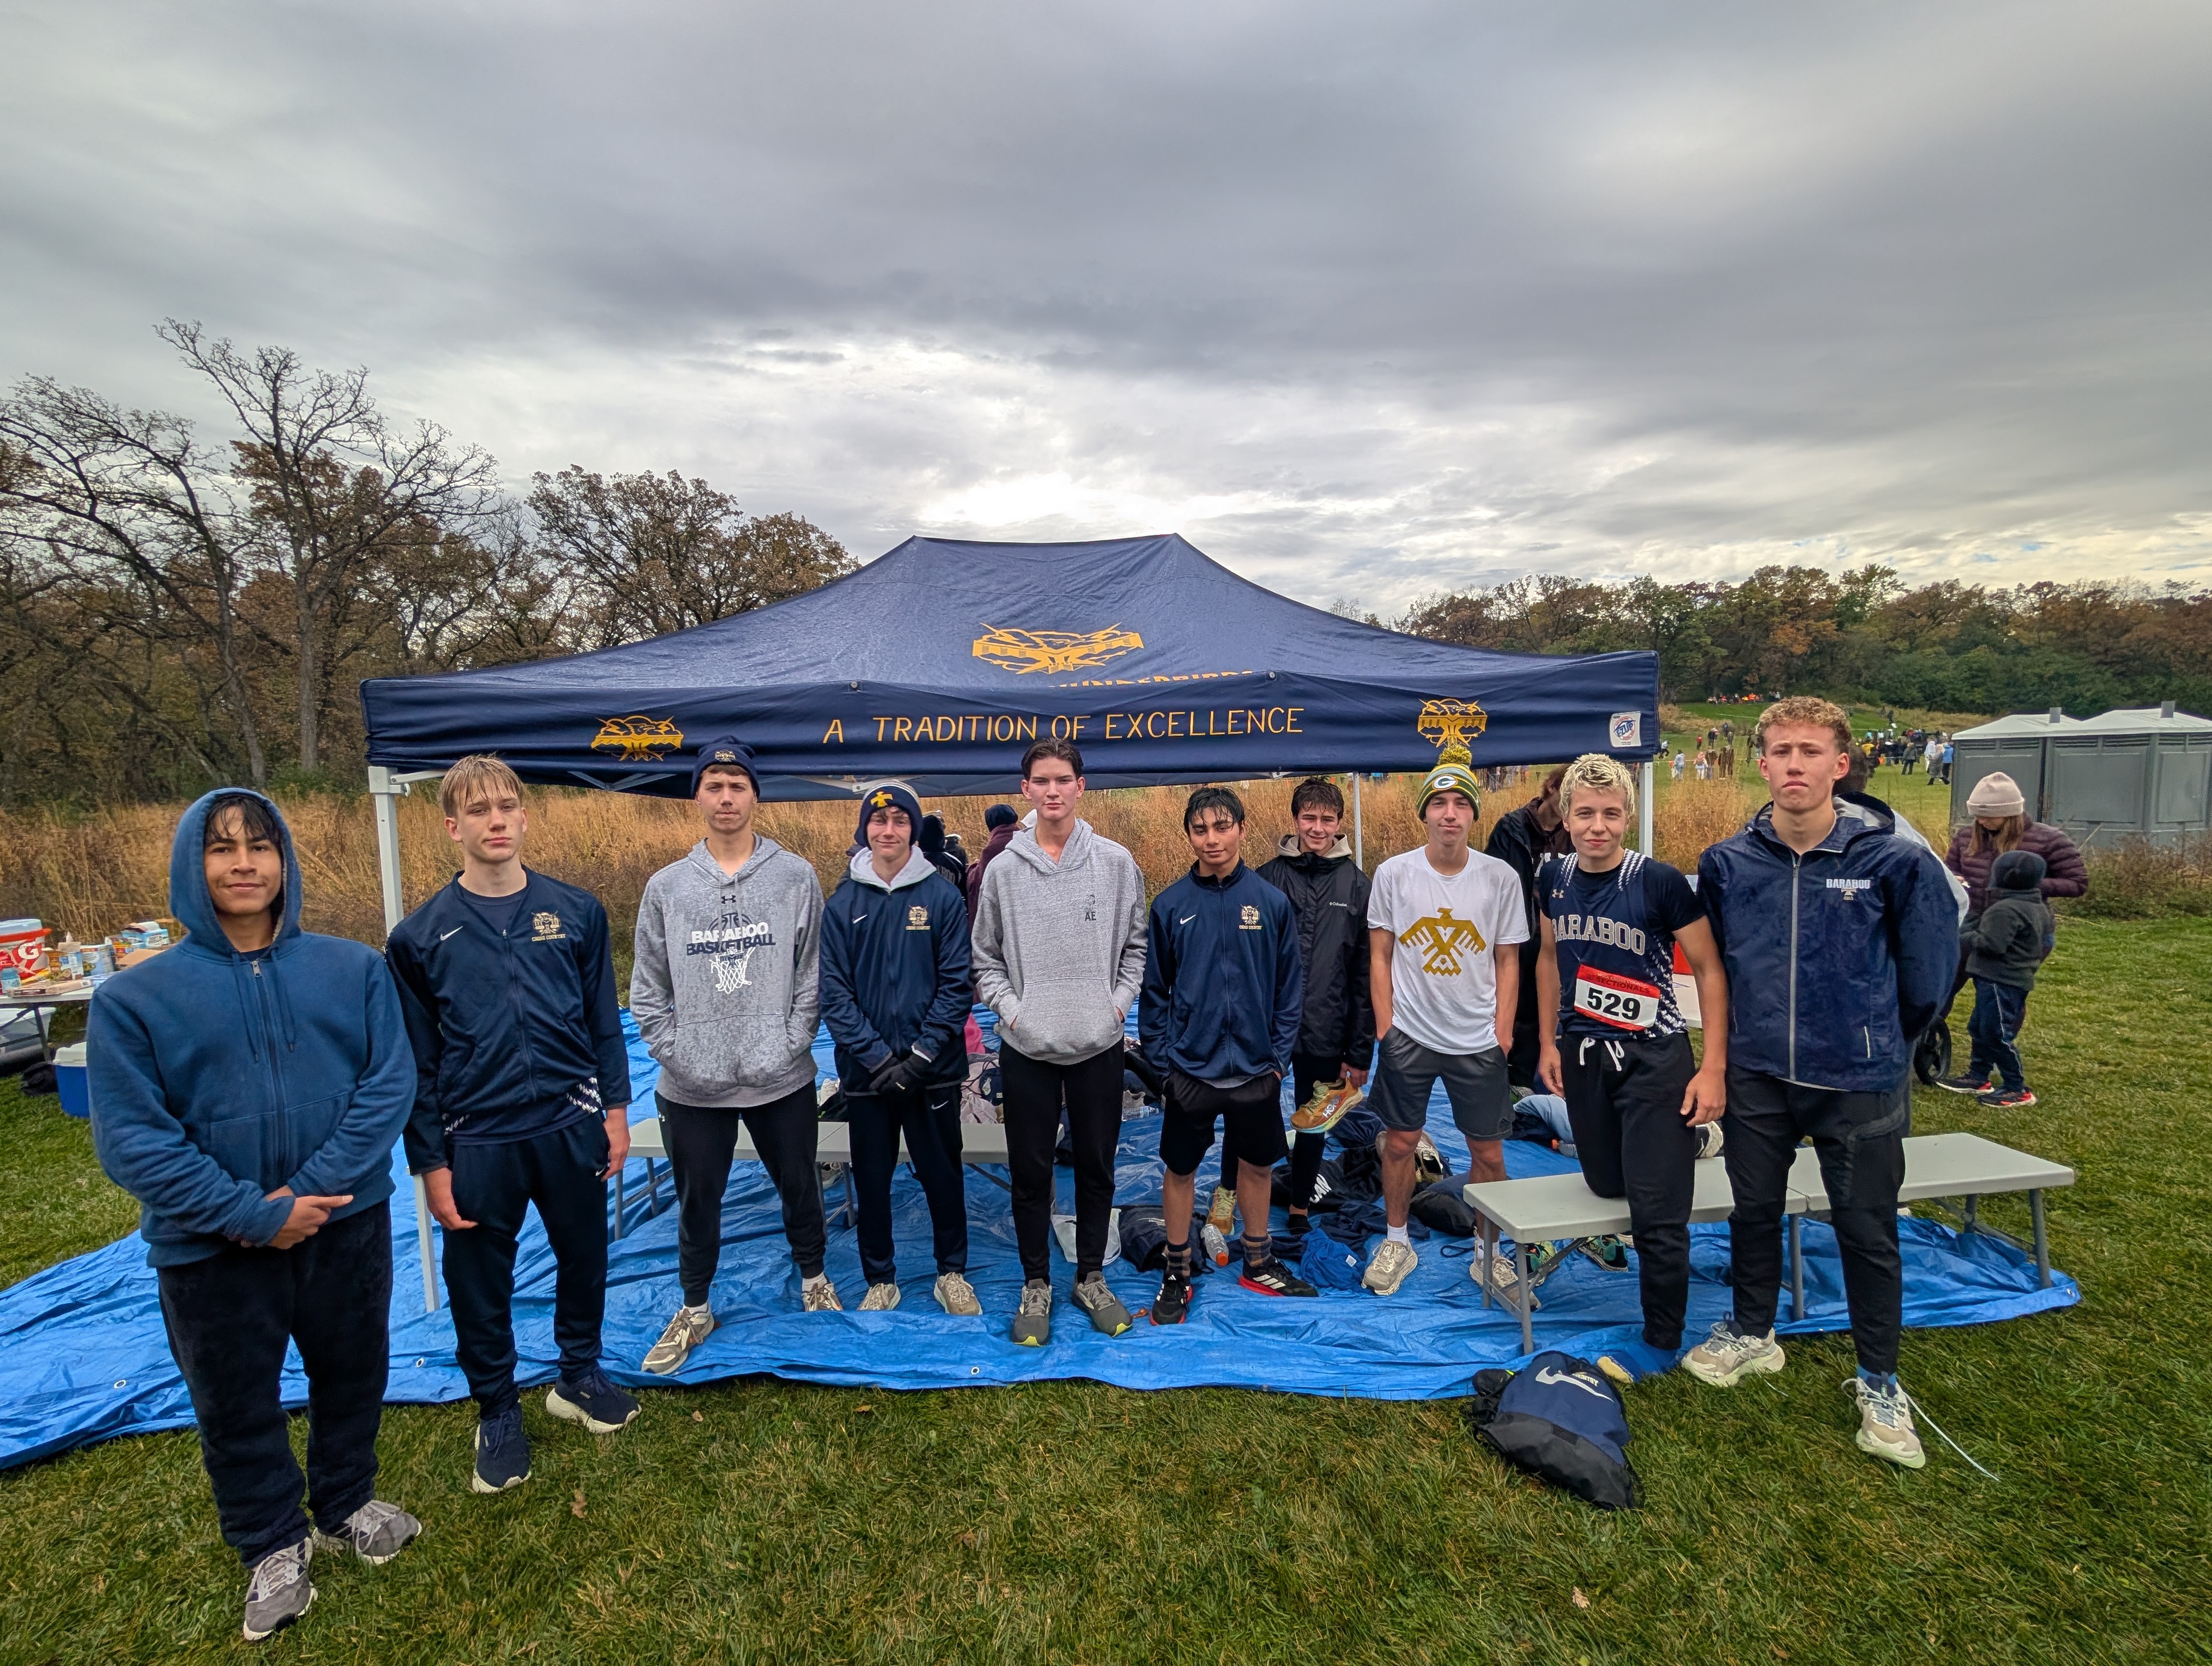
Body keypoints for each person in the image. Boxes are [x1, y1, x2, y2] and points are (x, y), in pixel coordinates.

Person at [89, 791, 419, 1642]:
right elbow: (133, 1141)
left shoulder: (352, 970)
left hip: (345, 1223)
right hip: (210, 1248)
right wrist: (250, 1213)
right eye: (223, 848)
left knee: (353, 1371)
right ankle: (272, 1541)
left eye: (260, 846)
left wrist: (312, 1194)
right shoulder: (135, 1000)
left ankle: (346, 1500)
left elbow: (387, 1087)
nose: (244, 863)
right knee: (235, 1401)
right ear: (190, 867)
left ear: (285, 862)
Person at [1688, 696, 1958, 1470]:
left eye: (1811, 751)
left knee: (1867, 1230)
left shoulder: (1895, 861)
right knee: (1752, 1210)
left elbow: (1930, 977)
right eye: (1781, 751)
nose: (1795, 764)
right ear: (1762, 764)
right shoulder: (1728, 862)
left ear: (1841, 765)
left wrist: (1880, 1039)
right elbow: (1720, 966)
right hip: (1760, 1073)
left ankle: (1879, 1380)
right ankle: (1752, 1332)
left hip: (1859, 1077)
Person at [388, 756, 639, 1495]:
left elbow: (604, 1024)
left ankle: (579, 1375)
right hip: (478, 1139)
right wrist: (430, 1164)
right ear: (452, 826)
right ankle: (497, 1410)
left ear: (525, 817)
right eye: (478, 811)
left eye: (506, 807)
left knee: (584, 1256)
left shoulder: (578, 911)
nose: (494, 821)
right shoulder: (419, 937)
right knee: (479, 1284)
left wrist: (617, 1113)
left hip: (570, 1122)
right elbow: (417, 1065)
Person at [634, 735, 833, 1377]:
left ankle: (814, 1280)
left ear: (755, 795)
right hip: (692, 1088)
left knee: (801, 1186)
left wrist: (788, 1042)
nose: (726, 797)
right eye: (714, 786)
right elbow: (647, 989)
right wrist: (683, 1054)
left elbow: (813, 974)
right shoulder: (667, 887)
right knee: (699, 1202)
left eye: (737, 785)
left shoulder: (795, 876)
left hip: (781, 1078)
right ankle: (696, 1306)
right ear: (698, 796)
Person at [1532, 755, 1728, 1384]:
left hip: (1654, 1058)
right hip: (1588, 1056)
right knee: (1606, 1184)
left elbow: (1710, 971)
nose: (1597, 827)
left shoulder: (1660, 881)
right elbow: (1547, 954)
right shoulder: (1552, 877)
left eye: (1611, 814)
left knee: (1655, 1208)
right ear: (1565, 817)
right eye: (1585, 813)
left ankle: (1661, 1338)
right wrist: (1549, 1042)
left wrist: (1714, 1068)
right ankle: (1693, 1139)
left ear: (1629, 817)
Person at [970, 738, 1149, 1345]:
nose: (1052, 791)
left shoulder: (1117, 863)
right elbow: (985, 959)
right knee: (1031, 1171)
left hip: (1099, 1046)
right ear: (1026, 790)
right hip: (1028, 1050)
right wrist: (1014, 1013)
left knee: (1098, 1168)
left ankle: (1091, 1276)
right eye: (1040, 780)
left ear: (1081, 787)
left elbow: (1135, 947)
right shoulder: (1003, 871)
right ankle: (1036, 1282)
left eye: (1062, 780)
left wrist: (1116, 1006)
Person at [1142, 787, 1312, 1321]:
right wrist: (1164, 1067)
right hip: (1191, 1069)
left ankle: (1258, 1261)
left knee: (1257, 1165)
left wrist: (1277, 1060)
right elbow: (1154, 993)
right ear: (1190, 835)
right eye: (1201, 829)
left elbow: (1290, 990)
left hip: (1255, 1071)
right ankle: (1177, 1270)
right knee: (1180, 1169)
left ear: (1241, 827)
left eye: (1222, 826)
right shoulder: (1170, 906)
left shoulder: (1270, 901)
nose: (1212, 839)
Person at [1362, 749, 1528, 1297]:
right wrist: (1387, 1026)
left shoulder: (1499, 878)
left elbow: (1509, 959)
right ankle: (1396, 1239)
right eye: (1439, 803)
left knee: (1489, 1152)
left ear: (1474, 815)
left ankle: (1488, 1252)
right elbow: (1380, 953)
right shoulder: (1394, 874)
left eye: (1461, 803)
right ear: (1424, 813)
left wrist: (1503, 1033)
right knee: (1400, 1142)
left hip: (1477, 1038)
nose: (1450, 814)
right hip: (1410, 1034)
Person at [818, 781, 980, 1313]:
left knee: (942, 1175)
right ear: (865, 829)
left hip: (931, 1073)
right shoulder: (843, 903)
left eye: (900, 821)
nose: (889, 830)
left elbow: (958, 983)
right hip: (868, 1078)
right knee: (872, 1178)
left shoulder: (942, 897)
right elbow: (834, 993)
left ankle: (951, 1273)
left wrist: (921, 1055)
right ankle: (880, 1279)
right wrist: (879, 1058)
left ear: (913, 828)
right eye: (879, 821)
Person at [1216, 776, 1377, 1246]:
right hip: (1266, 1029)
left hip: (1328, 1026)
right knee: (1246, 1114)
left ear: (1341, 823)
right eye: (1310, 818)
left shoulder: (1357, 884)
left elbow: (1365, 975)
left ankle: (1300, 1204)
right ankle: (1228, 1193)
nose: (1318, 828)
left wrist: (1360, 1050)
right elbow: (1240, 961)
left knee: (1314, 1123)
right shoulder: (1264, 878)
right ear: (1295, 820)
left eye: (1328, 819)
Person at [1483, 764, 1571, 1091]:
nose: (1570, 804)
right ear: (1551, 789)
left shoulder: (1574, 833)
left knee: (1541, 1012)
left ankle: (1522, 1085)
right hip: (1514, 936)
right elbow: (1492, 884)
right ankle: (1496, 1080)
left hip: (1552, 937)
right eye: (1567, 794)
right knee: (1509, 1009)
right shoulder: (1511, 827)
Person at [1944, 849, 2054, 1107]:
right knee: (1980, 1028)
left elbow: (1992, 945)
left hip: (1999, 981)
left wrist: (1962, 935)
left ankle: (2017, 1088)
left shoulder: (2004, 910)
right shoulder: (2036, 906)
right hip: (2010, 979)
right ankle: (1978, 1077)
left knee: (1996, 1034)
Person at [1944, 772, 2089, 917]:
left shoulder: (2048, 839)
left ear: (2010, 814)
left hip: (2025, 927)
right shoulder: (1965, 836)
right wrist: (1954, 879)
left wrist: (2029, 885)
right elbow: (1951, 871)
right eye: (1977, 816)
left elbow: (2077, 884)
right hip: (1972, 923)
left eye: (1989, 817)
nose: (1982, 821)